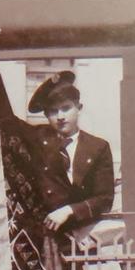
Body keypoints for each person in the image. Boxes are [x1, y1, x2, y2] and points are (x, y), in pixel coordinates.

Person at [25, 70, 115, 236]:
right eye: (53, 111)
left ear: (79, 108)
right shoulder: (34, 140)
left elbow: (104, 199)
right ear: (46, 115)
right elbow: (3, 119)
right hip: (42, 234)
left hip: (82, 234)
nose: (60, 116)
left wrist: (69, 210)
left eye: (66, 108)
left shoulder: (97, 147)